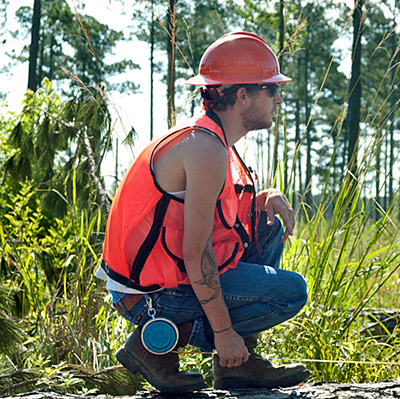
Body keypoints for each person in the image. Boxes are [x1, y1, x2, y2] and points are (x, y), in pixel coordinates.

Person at [95, 31, 309, 393]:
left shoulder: (211, 141)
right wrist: (224, 334)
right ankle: (155, 346)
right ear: (242, 96)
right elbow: (195, 253)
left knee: (267, 226)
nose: (278, 98)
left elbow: (219, 217)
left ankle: (237, 368)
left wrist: (263, 199)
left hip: (166, 284)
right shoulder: (205, 148)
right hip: (149, 297)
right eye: (271, 90)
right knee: (291, 292)